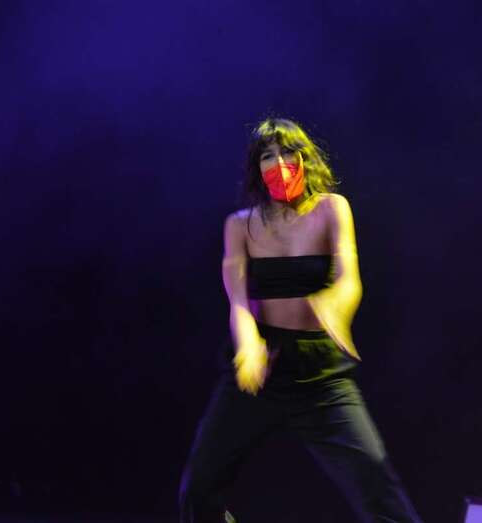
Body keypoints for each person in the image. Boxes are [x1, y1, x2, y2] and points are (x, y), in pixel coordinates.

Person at [178, 118, 422, 522]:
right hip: (261, 369)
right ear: (256, 167)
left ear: (306, 158)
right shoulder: (240, 225)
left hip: (319, 372)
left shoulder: (330, 208)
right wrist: (248, 345)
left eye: (288, 152)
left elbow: (349, 280)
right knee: (199, 489)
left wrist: (335, 307)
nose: (279, 164)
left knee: (378, 487)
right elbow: (238, 301)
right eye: (268, 156)